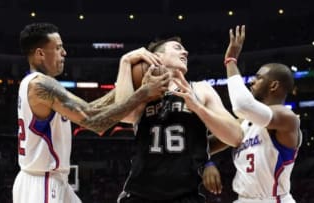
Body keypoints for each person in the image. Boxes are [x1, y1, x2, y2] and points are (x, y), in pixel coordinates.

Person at [12, 22, 171, 203]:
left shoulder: (37, 84)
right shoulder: (41, 85)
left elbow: (91, 109)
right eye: (58, 48)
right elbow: (95, 122)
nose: (64, 52)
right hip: (42, 183)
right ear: (40, 53)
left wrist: (129, 73)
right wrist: (143, 93)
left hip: (50, 180)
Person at [115, 37, 243, 203]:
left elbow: (235, 137)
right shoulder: (144, 88)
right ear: (157, 57)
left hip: (186, 195)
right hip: (140, 195)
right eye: (177, 48)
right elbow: (124, 116)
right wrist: (125, 62)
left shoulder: (200, 88)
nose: (185, 52)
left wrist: (197, 107)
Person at [208, 25, 302, 203]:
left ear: (273, 85)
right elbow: (204, 147)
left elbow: (242, 105)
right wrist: (207, 163)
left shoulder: (286, 118)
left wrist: (230, 61)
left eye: (258, 78)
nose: (252, 81)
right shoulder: (243, 122)